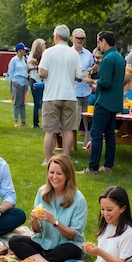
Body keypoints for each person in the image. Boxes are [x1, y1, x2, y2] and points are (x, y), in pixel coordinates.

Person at [9, 155, 87, 262]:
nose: (54, 177)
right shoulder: (42, 192)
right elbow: (37, 232)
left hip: (66, 245)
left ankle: (34, 258)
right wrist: (34, 224)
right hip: (44, 243)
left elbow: (74, 236)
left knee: (72, 250)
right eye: (51, 172)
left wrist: (54, 221)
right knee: (14, 241)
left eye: (59, 174)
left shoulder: (78, 199)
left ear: (67, 175)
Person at [78, 31, 125, 174]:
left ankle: (92, 168)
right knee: (110, 135)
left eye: (99, 42)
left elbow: (105, 82)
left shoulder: (107, 58)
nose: (98, 45)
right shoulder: (119, 57)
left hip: (104, 102)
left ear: (104, 41)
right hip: (115, 102)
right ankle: (108, 166)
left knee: (96, 135)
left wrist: (91, 81)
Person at [39, 24, 82, 162]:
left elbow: (42, 73)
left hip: (51, 95)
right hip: (69, 95)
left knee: (50, 131)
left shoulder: (48, 52)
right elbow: (79, 76)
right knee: (68, 130)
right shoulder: (74, 54)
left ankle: (47, 159)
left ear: (56, 36)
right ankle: (66, 158)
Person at [71, 28, 94, 145]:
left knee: (88, 120)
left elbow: (92, 70)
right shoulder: (68, 53)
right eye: (78, 38)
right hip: (73, 91)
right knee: (72, 121)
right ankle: (70, 146)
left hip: (86, 91)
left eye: (82, 38)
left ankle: (87, 145)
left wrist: (91, 72)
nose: (80, 40)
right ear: (72, 39)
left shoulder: (88, 54)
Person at [8, 42, 29, 127]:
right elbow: (10, 71)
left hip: (24, 81)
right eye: (23, 50)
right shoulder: (14, 60)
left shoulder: (24, 59)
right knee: (17, 102)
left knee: (23, 102)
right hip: (17, 81)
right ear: (19, 51)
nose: (24, 52)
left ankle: (23, 121)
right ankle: (16, 120)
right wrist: (13, 80)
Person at [27, 38, 46, 129]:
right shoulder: (32, 56)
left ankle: (43, 122)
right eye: (43, 45)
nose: (45, 46)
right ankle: (35, 123)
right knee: (37, 102)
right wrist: (38, 66)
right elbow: (30, 66)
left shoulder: (45, 55)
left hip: (42, 81)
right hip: (34, 80)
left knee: (43, 102)